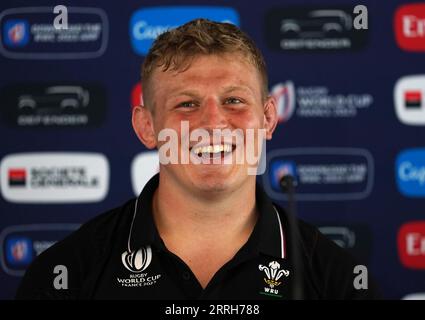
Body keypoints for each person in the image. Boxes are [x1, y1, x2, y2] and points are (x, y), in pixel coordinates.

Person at [16, 19, 379, 300]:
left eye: (234, 100)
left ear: (267, 119)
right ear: (146, 126)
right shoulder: (68, 275)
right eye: (187, 104)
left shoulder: (338, 281)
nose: (213, 123)